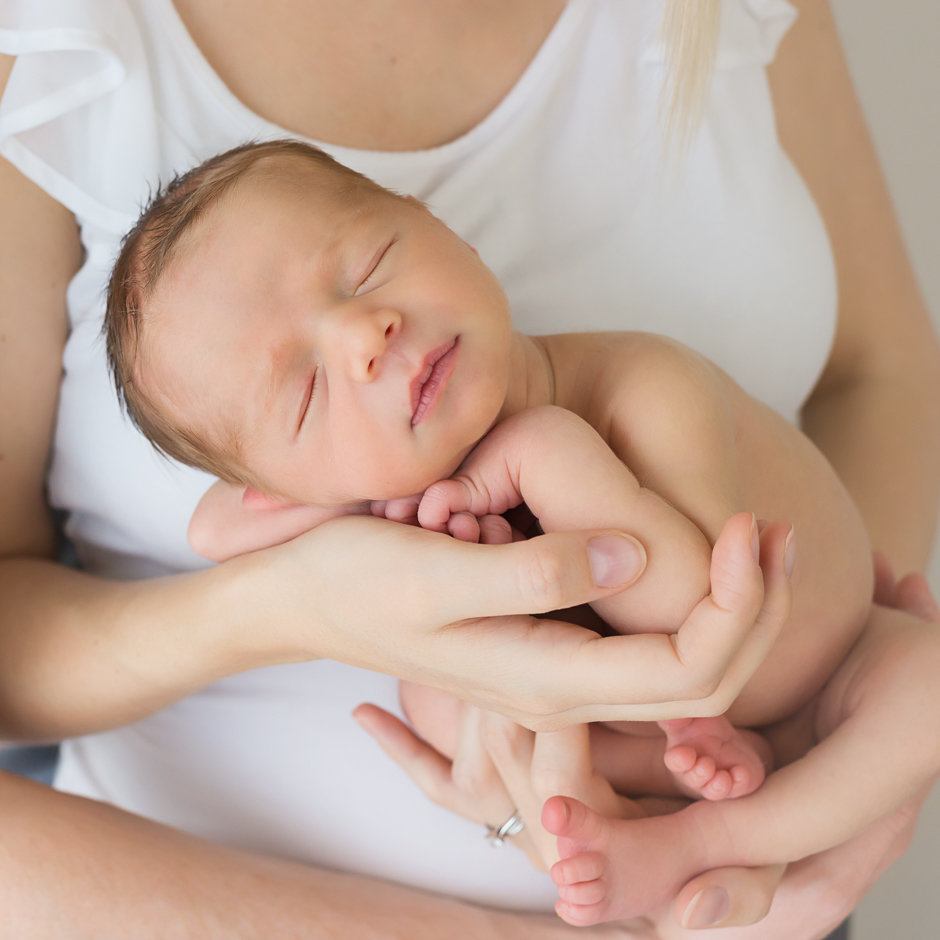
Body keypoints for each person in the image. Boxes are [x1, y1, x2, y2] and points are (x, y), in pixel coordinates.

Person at [0, 0, 937, 935]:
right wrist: (305, 567)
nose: (365, 334)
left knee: (925, 683)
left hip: (812, 694)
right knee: (436, 697)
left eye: (369, 267)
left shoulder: (647, 384)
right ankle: (648, 807)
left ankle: (712, 838)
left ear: (445, 226)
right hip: (212, 896)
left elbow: (703, 612)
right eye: (307, 392)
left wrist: (551, 460)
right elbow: (217, 528)